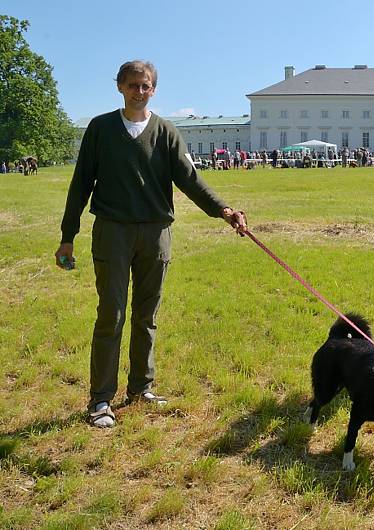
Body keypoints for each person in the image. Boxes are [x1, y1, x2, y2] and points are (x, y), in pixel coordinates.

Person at [54, 60, 248, 428]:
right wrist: (67, 236)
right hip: (113, 232)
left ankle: (141, 388)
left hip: (156, 233)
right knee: (110, 314)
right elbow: (80, 185)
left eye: (145, 86)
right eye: (132, 85)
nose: (138, 92)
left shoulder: (166, 132)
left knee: (147, 316)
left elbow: (190, 180)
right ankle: (100, 400)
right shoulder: (100, 129)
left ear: (154, 89)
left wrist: (224, 210)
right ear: (120, 87)